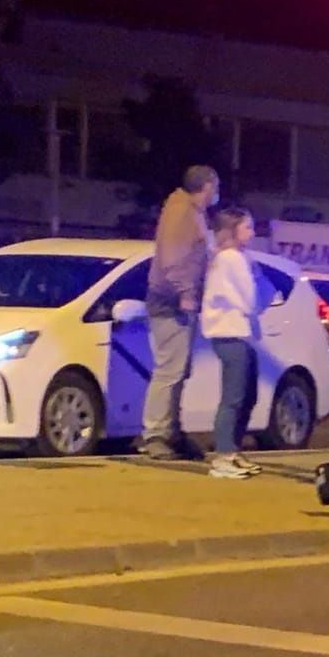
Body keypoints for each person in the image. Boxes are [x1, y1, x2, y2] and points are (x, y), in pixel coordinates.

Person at [142, 165, 220, 459]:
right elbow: (173, 258)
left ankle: (171, 432)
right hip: (170, 302)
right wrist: (185, 292)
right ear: (207, 186)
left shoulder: (190, 212)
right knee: (169, 372)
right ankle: (155, 435)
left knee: (177, 371)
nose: (217, 192)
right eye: (216, 186)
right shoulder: (182, 213)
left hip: (175, 301)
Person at [200, 207, 267, 480]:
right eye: (247, 227)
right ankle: (223, 456)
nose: (252, 233)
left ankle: (232, 451)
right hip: (231, 333)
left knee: (247, 395)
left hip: (238, 334)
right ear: (232, 230)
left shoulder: (229, 258)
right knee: (234, 397)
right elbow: (250, 300)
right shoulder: (232, 259)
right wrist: (259, 282)